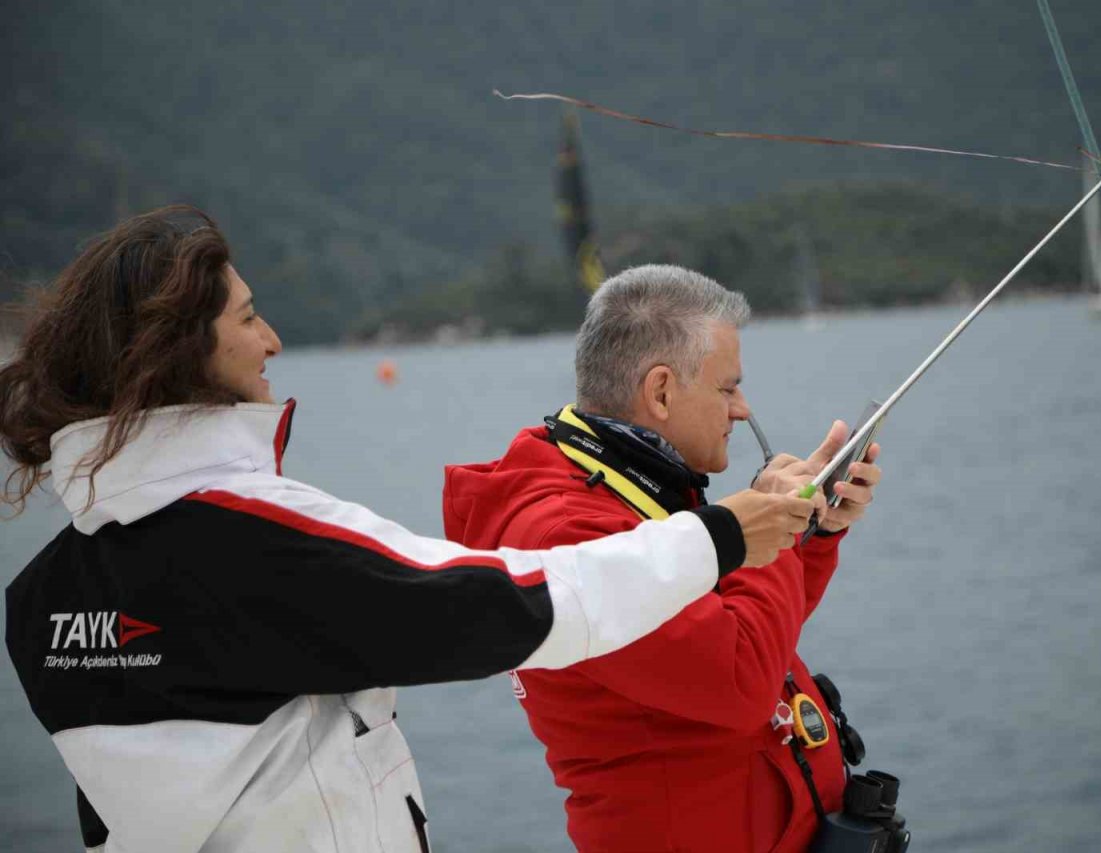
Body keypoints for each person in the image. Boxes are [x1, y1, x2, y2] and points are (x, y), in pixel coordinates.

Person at [0, 208, 820, 853]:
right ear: (182, 348)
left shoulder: (39, 601)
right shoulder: (250, 540)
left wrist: (786, 537)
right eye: (249, 318)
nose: (273, 339)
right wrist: (723, 536)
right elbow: (514, 602)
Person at [442, 264, 884, 852]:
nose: (744, 409)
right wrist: (768, 526)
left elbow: (751, 624)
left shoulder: (632, 485)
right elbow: (739, 676)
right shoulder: (568, 533)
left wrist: (811, 532)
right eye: (727, 387)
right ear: (660, 392)